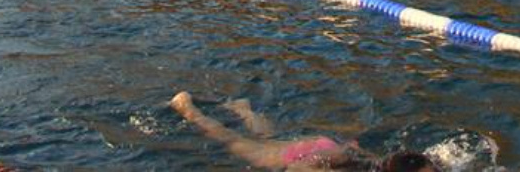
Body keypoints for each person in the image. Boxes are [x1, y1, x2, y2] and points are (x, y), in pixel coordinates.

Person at [171, 92, 440, 172]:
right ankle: (186, 107)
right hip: (302, 157)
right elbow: (297, 168)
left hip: (328, 149)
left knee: (269, 138)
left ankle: (244, 110)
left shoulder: (382, 165)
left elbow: (353, 151)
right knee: (233, 140)